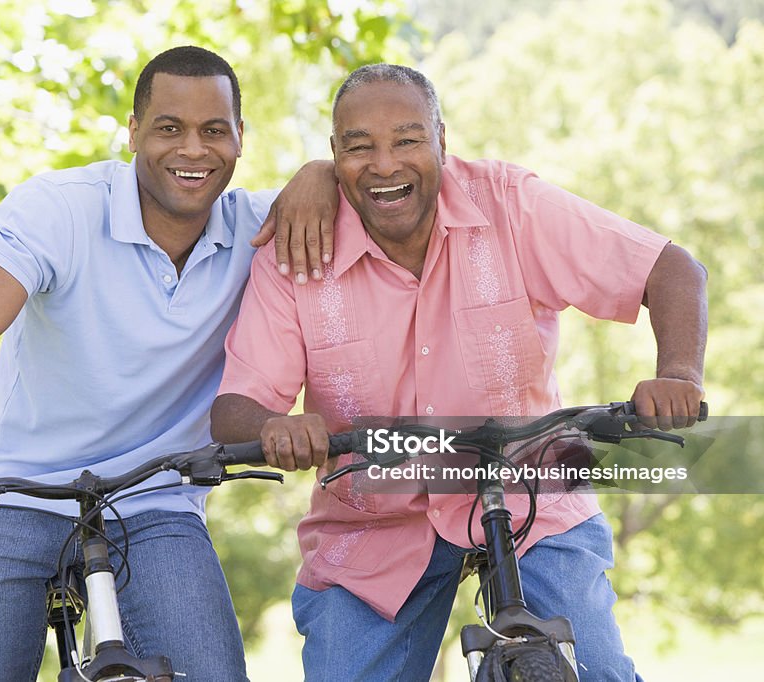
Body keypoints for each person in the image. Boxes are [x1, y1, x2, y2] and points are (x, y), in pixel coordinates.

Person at [211, 64, 707, 681]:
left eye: (408, 140)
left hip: (529, 489)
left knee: (597, 669)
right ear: (334, 155)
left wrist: (680, 374)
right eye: (358, 146)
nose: (385, 164)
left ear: (443, 139)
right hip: (373, 519)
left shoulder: (509, 205)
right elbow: (237, 405)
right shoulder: (297, 247)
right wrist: (274, 427)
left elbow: (671, 269)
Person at [0, 46, 337, 682]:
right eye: (169, 128)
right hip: (11, 493)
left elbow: (359, 190)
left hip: (159, 501)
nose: (193, 150)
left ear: (239, 140)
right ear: (133, 133)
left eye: (214, 131)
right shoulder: (59, 209)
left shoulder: (261, 229)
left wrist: (320, 170)